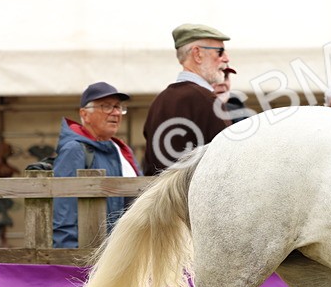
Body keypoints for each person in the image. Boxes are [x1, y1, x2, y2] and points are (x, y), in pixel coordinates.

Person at [52, 82, 142, 248]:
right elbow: (64, 211)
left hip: (125, 252)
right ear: (84, 114)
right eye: (106, 106)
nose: (115, 112)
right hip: (90, 256)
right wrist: (67, 260)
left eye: (118, 106)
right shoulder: (75, 150)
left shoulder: (122, 149)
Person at [141, 23, 232, 176]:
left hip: (161, 197)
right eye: (220, 52)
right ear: (197, 54)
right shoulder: (208, 101)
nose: (226, 58)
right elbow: (229, 160)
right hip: (194, 197)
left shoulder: (158, 102)